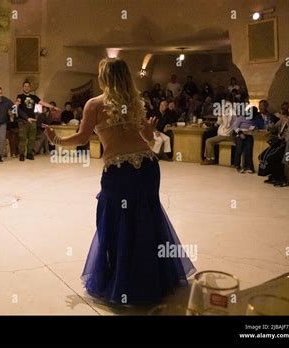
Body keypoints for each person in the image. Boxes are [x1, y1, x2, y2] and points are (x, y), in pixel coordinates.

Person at [43, 58, 195, 305]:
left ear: (104, 77)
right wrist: (151, 129)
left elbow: (82, 139)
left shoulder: (94, 104)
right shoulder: (135, 102)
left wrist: (56, 140)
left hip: (119, 170)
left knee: (118, 222)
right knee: (147, 220)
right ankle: (153, 279)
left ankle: (123, 284)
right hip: (147, 166)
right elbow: (148, 136)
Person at [16, 81, 60, 161]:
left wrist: (53, 107)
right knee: (22, 138)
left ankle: (29, 154)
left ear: (30, 88)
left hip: (33, 120)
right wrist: (16, 104)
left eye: (28, 86)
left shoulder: (34, 97)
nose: (26, 87)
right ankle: (22, 154)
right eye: (25, 86)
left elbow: (43, 103)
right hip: (23, 121)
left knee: (32, 138)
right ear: (23, 87)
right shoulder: (20, 96)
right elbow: (17, 102)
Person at [201, 99, 236, 165]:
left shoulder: (231, 115)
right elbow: (219, 122)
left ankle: (209, 159)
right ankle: (212, 158)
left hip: (225, 135)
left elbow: (227, 125)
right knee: (209, 138)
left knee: (208, 141)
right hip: (223, 134)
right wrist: (220, 116)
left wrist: (222, 115)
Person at [232, 106, 259, 174]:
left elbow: (256, 126)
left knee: (249, 151)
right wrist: (240, 133)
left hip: (249, 135)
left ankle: (249, 167)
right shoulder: (241, 118)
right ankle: (237, 165)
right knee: (239, 150)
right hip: (240, 134)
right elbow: (234, 126)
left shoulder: (254, 119)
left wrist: (254, 128)